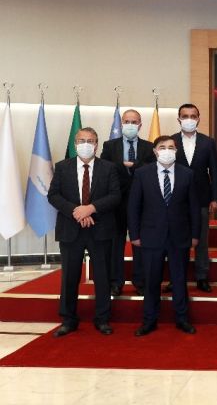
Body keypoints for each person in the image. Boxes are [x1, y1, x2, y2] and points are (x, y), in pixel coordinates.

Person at [48, 127, 121, 337]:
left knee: (102, 276)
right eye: (82, 141)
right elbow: (53, 195)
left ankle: (102, 319)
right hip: (70, 229)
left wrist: (91, 209)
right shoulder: (62, 167)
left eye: (90, 141)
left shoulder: (109, 168)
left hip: (101, 229)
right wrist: (77, 211)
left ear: (96, 144)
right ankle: (68, 319)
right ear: (75, 144)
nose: (86, 144)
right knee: (70, 276)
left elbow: (115, 196)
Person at [128, 135, 200, 336]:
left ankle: (182, 319)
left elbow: (194, 208)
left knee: (179, 279)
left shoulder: (187, 174)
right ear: (155, 151)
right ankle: (149, 320)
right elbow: (133, 207)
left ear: (176, 151)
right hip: (151, 235)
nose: (167, 150)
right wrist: (134, 234)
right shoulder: (142, 174)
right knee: (151, 281)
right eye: (162, 147)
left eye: (171, 147)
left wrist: (195, 235)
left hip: (180, 236)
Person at [100, 109, 156, 297]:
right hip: (116, 202)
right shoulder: (110, 146)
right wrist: (123, 165)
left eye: (134, 122)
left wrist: (133, 165)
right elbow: (105, 169)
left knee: (139, 242)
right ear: (121, 124)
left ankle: (140, 281)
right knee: (116, 244)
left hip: (142, 203)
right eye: (127, 121)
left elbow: (152, 169)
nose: (130, 125)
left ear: (140, 125)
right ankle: (115, 282)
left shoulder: (149, 147)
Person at [170, 103, 217, 293]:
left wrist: (216, 198)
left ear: (198, 119)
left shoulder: (208, 142)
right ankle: (176, 277)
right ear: (179, 119)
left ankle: (202, 276)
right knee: (176, 240)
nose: (189, 120)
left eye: (193, 116)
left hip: (201, 198)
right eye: (185, 116)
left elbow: (215, 171)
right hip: (176, 200)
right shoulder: (171, 142)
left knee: (201, 240)